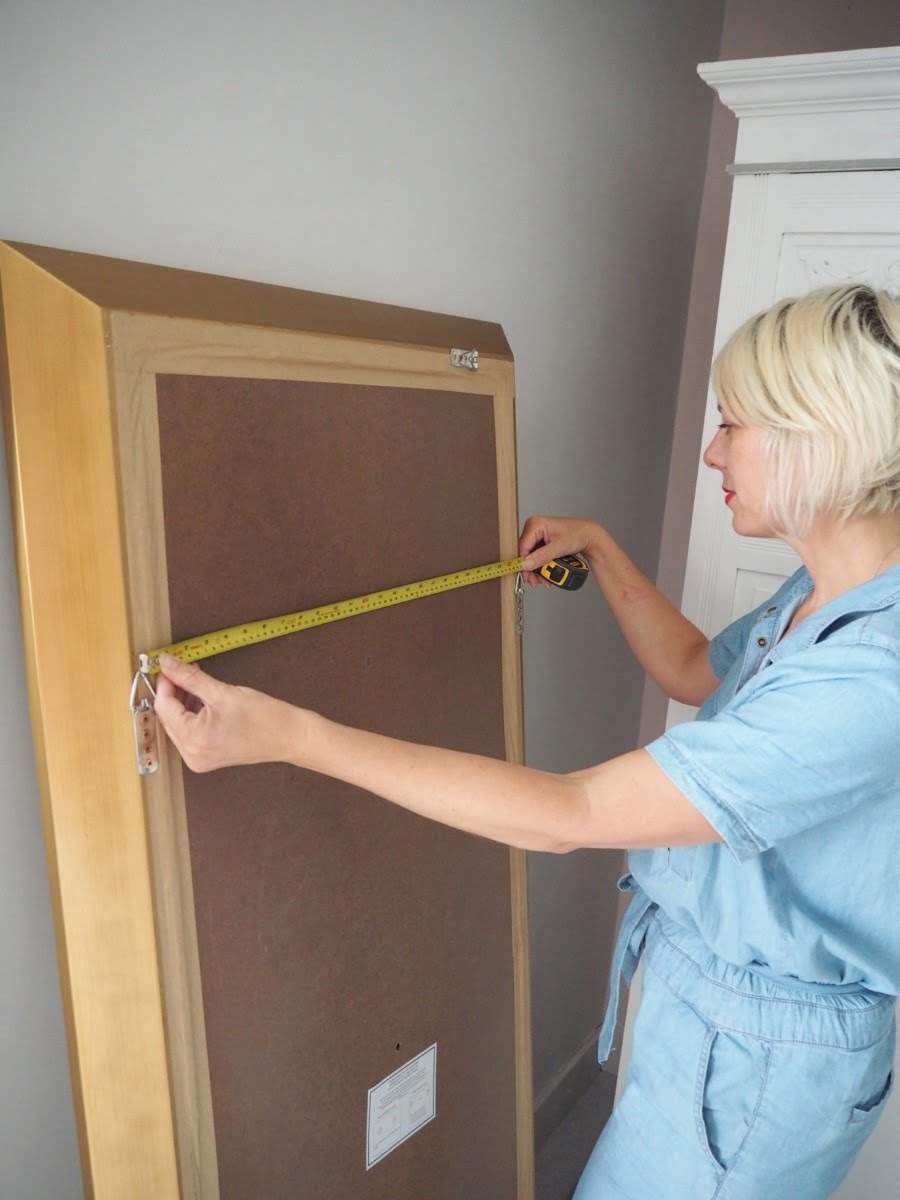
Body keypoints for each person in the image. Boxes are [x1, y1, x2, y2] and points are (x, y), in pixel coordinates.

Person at [155, 283, 900, 1199]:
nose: (713, 449)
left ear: (817, 435)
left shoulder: (875, 675)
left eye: (733, 423)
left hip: (761, 1064)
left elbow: (569, 813)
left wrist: (295, 738)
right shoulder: (826, 593)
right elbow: (697, 667)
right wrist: (602, 547)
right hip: (710, 1016)